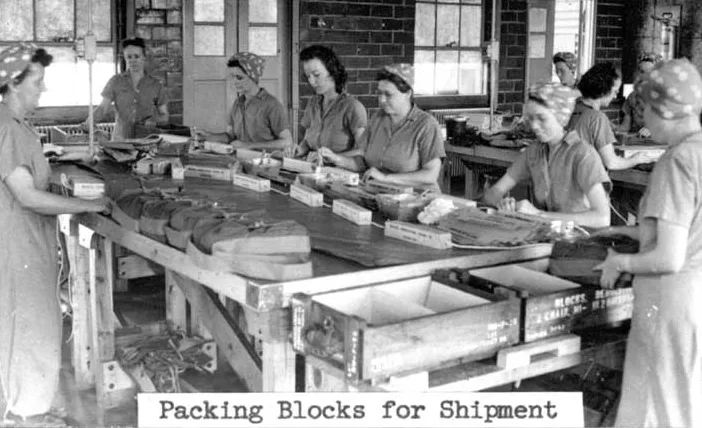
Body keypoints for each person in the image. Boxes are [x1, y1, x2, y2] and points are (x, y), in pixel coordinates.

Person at [0, 43, 110, 427]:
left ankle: (26, 404)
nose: (43, 88)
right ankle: (28, 414)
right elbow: (27, 196)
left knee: (29, 323)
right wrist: (87, 205)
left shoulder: (15, 125)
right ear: (14, 84)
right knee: (31, 325)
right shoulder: (6, 128)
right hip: (18, 243)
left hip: (26, 239)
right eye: (37, 81)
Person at [594, 58, 702, 428]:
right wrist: (629, 233)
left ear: (664, 111)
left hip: (668, 303)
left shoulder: (677, 160)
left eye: (645, 111)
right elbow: (687, 232)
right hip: (695, 302)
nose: (643, 121)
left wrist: (619, 262)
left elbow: (669, 257)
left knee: (653, 411)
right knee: (684, 405)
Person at [483, 83, 611, 228]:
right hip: (550, 234)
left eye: (542, 118)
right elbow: (492, 193)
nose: (534, 126)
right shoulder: (534, 151)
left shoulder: (583, 155)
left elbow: (602, 218)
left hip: (583, 237)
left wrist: (538, 214)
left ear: (561, 117)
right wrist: (503, 204)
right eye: (530, 118)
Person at [318, 64, 445, 192]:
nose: (382, 100)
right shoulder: (377, 119)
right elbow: (363, 163)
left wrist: (385, 178)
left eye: (388, 94)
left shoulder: (426, 125)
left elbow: (430, 175)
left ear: (407, 93)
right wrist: (336, 158)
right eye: (379, 93)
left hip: (419, 198)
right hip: (384, 195)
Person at [197, 52, 292, 151]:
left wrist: (249, 145)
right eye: (233, 77)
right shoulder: (238, 103)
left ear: (253, 77)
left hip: (263, 159)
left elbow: (287, 141)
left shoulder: (272, 105)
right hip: (240, 157)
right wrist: (208, 136)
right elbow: (230, 136)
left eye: (239, 77)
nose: (235, 82)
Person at [287, 45, 367, 158]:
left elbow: (363, 151)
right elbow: (307, 141)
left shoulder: (353, 107)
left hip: (339, 168)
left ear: (332, 71)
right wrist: (299, 150)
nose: (311, 82)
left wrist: (332, 158)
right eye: (308, 76)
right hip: (314, 167)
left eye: (316, 75)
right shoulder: (313, 103)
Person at [568, 62, 651, 170]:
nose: (615, 95)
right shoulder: (597, 118)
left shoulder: (574, 108)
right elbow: (612, 163)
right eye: (615, 91)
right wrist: (636, 159)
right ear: (604, 89)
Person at [85, 37, 169, 140]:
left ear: (144, 57)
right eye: (129, 57)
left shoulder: (156, 85)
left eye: (136, 56)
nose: (132, 60)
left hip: (146, 141)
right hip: (120, 141)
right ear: (125, 58)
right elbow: (103, 108)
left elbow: (164, 116)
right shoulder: (116, 81)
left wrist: (155, 120)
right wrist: (90, 121)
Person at [619, 52, 663, 137]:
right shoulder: (632, 97)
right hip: (639, 143)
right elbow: (625, 128)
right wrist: (612, 128)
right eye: (642, 72)